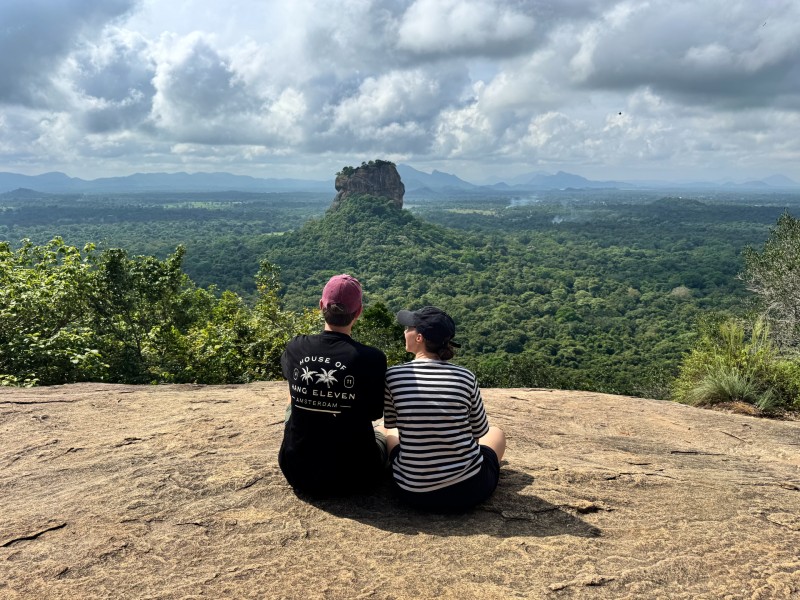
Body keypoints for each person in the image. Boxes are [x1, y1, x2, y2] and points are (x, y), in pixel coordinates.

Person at [383, 306, 506, 511]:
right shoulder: (465, 377)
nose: (405, 331)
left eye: (408, 328)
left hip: (411, 492)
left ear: (419, 338)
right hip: (468, 490)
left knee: (386, 430)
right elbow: (477, 435)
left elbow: (395, 425)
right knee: (496, 433)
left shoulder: (393, 376)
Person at [278, 274, 388, 496]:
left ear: (321, 306)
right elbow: (375, 412)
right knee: (385, 434)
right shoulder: (372, 358)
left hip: (297, 471)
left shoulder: (296, 347)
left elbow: (292, 383)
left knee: (293, 398)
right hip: (357, 475)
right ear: (358, 312)